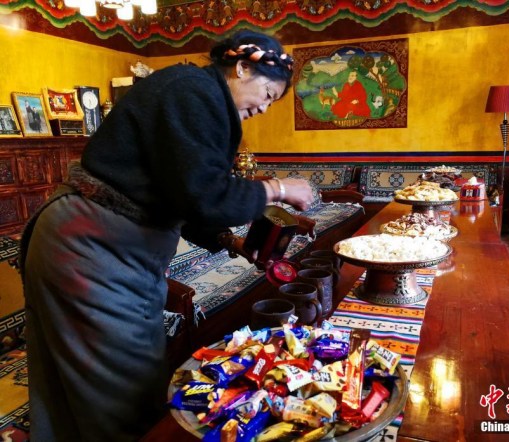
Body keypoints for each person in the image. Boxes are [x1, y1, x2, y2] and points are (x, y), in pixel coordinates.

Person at [20, 30, 313, 442]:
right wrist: (279, 188)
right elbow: (208, 196)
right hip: (89, 249)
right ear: (242, 67)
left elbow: (179, 192)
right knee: (122, 390)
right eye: (267, 93)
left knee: (90, 382)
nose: (264, 107)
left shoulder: (197, 95)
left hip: (105, 248)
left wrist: (231, 242)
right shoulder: (191, 91)